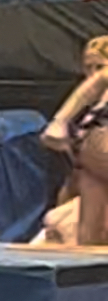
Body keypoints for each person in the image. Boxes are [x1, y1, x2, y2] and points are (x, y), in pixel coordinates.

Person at [40, 35, 108, 245]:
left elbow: (101, 79)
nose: (93, 73)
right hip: (87, 170)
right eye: (89, 67)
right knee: (81, 234)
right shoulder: (87, 108)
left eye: (100, 65)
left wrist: (59, 122)